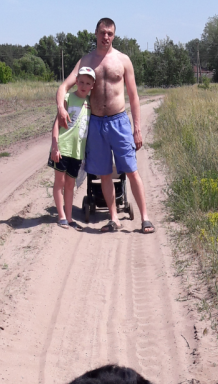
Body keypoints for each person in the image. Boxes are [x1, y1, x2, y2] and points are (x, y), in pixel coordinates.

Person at [56, 17, 155, 234]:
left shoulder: (123, 60)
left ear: (114, 35)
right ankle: (113, 218)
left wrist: (137, 128)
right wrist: (62, 109)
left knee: (131, 170)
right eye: (102, 32)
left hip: (119, 121)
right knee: (104, 174)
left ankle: (145, 218)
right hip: (96, 123)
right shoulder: (86, 61)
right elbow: (64, 86)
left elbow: (134, 96)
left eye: (110, 33)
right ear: (96, 33)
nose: (106, 37)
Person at [49, 66, 96, 230]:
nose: (83, 85)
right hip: (63, 148)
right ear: (76, 81)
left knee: (70, 185)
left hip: (77, 151)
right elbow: (56, 124)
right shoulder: (68, 98)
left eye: (87, 83)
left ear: (92, 86)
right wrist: (55, 146)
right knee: (59, 183)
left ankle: (69, 218)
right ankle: (61, 216)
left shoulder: (91, 102)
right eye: (81, 82)